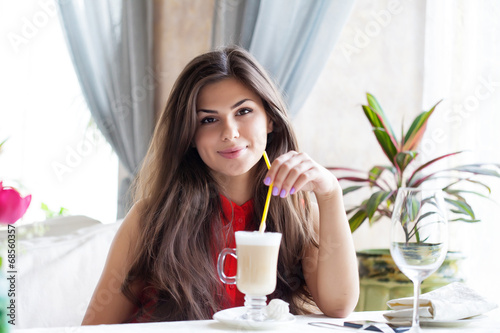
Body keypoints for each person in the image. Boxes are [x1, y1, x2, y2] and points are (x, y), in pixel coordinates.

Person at [81, 46, 359, 324]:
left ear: (270, 119)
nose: (230, 133)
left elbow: (339, 306)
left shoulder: (296, 214)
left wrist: (330, 193)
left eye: (244, 111)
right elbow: (93, 328)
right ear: (190, 134)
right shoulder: (150, 220)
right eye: (209, 120)